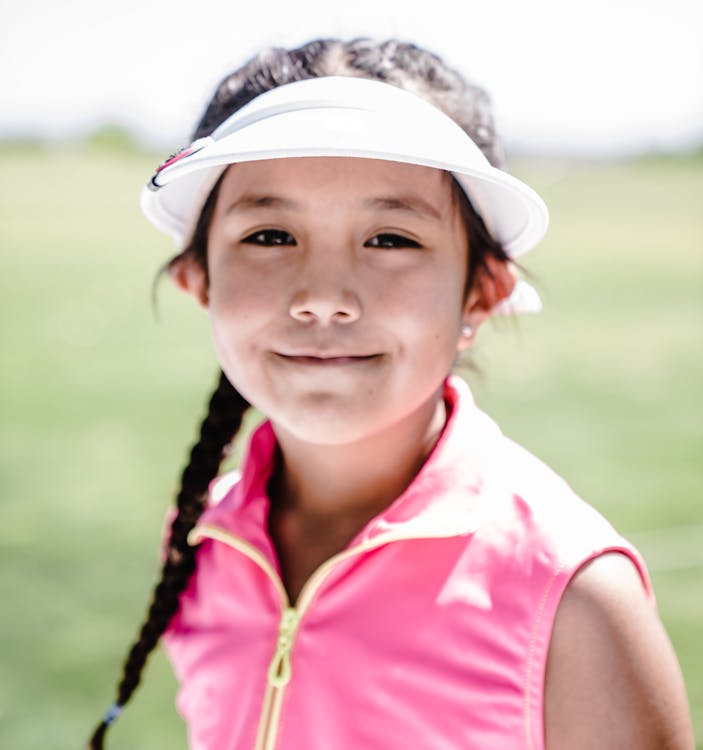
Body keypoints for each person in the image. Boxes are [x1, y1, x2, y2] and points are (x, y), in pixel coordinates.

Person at [88, 38, 693, 749]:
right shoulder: (202, 540)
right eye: (271, 233)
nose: (322, 298)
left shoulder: (574, 595)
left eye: (390, 239)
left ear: (481, 293)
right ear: (198, 281)